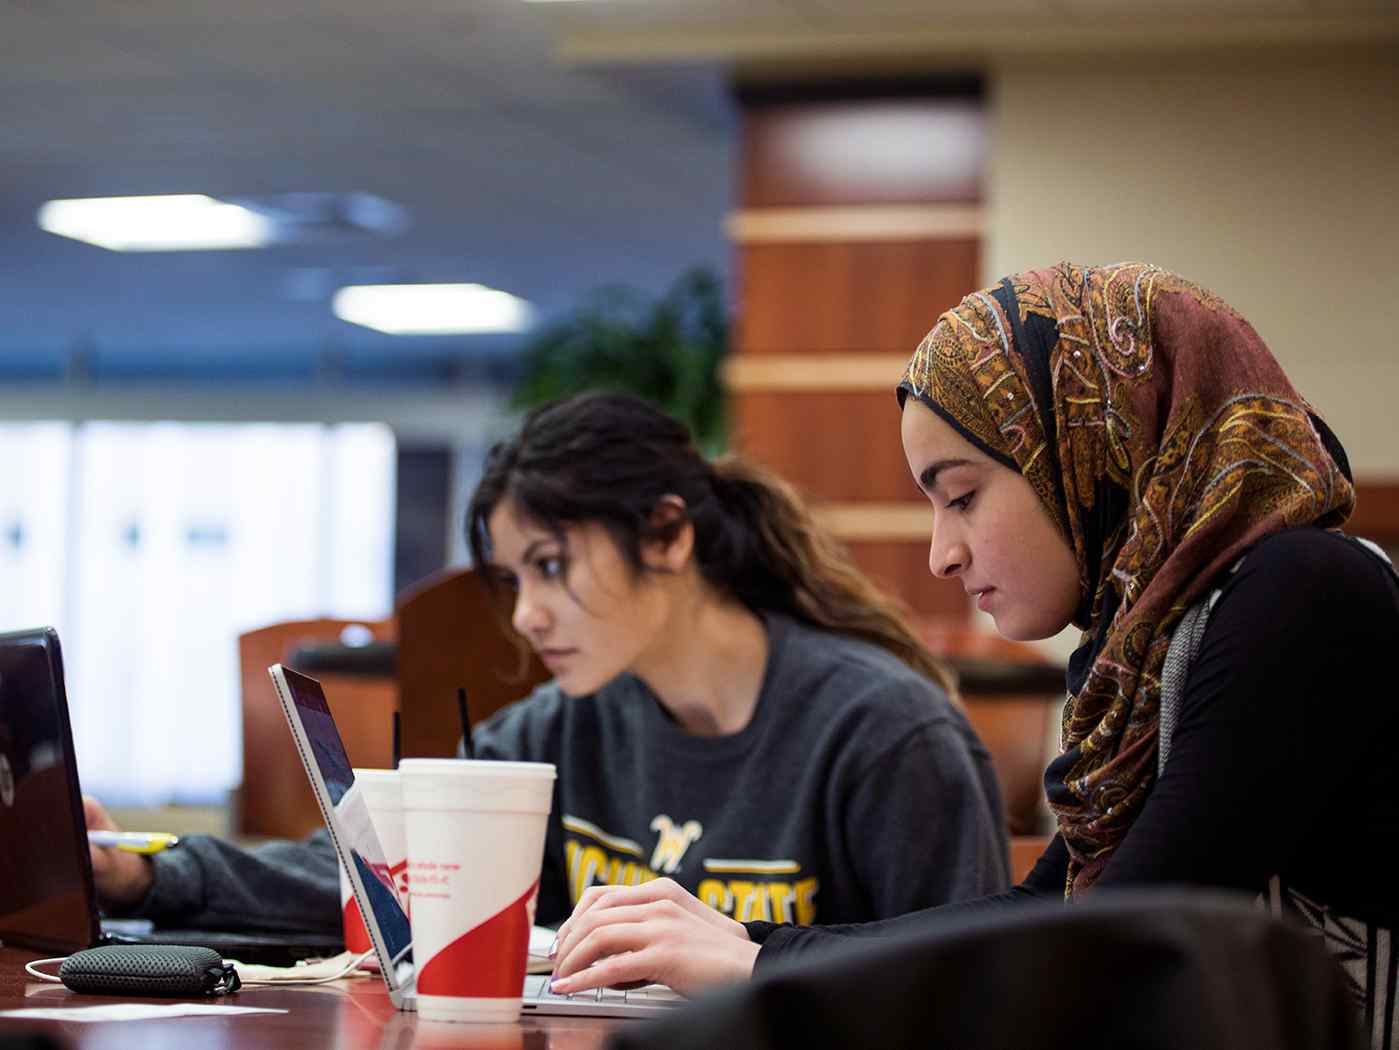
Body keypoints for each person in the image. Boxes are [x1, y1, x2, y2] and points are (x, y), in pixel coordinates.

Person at [545, 263, 1399, 1048]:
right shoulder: (1153, 647)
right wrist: (746, 940)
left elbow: (1124, 948)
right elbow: (1048, 913)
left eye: (961, 497)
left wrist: (761, 964)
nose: (940, 555)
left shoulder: (1303, 591)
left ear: (1090, 449)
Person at [86, 391, 1010, 940]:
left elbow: (960, 990)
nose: (527, 615)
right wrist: (144, 873)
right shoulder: (565, 724)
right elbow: (379, 869)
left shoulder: (882, 735)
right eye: (513, 578)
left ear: (667, 534)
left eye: (552, 566)